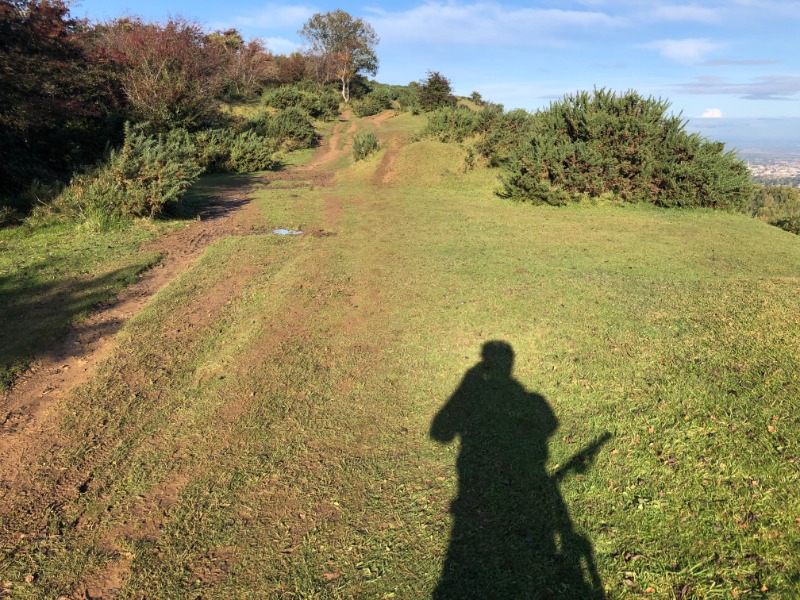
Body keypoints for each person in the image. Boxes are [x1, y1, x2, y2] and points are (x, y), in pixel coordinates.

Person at [430, 341, 604, 599]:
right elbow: (549, 424)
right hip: (510, 480)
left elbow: (440, 432)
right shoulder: (527, 398)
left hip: (476, 480)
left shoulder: (480, 389)